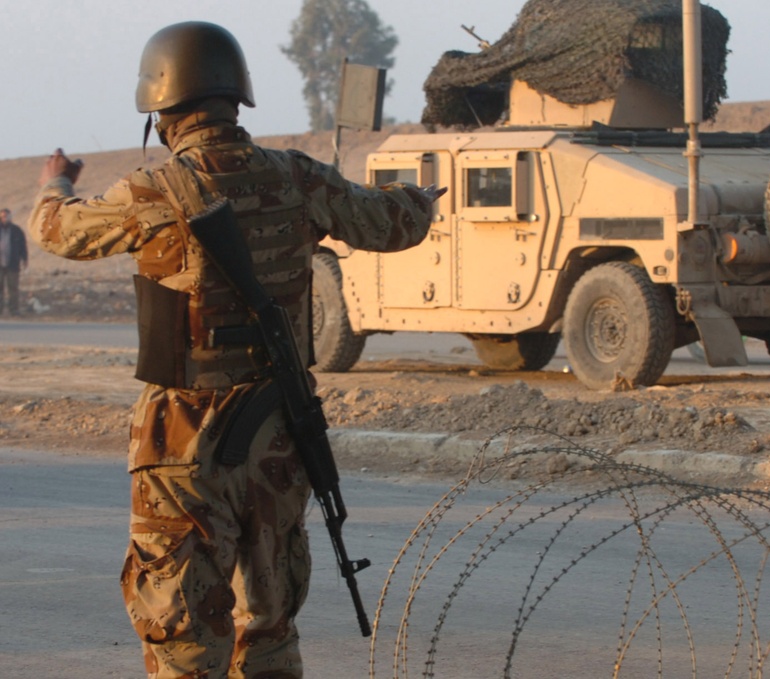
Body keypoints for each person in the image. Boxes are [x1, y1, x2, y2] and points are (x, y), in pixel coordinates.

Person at [29, 21, 441, 678]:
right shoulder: (296, 178)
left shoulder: (153, 191)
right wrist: (423, 198)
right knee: (270, 627)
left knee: (185, 635)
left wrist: (55, 181)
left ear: (162, 108)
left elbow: (55, 230)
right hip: (277, 437)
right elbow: (395, 223)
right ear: (237, 101)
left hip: (183, 448)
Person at [0, 207, 29, 315]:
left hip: (12, 264)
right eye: (2, 216)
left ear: (10, 217)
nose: (5, 218)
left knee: (13, 288)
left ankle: (14, 310)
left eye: (6, 216)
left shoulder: (17, 231)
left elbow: (23, 247)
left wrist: (25, 259)